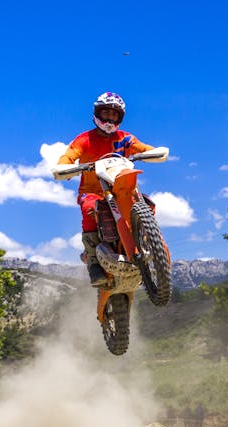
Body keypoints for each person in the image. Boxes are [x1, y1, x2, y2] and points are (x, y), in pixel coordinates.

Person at [57, 91, 155, 286]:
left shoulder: (125, 138)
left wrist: (156, 153)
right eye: (106, 114)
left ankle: (150, 247)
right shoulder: (84, 139)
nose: (110, 119)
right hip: (92, 190)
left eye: (114, 115)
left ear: (120, 118)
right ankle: (93, 262)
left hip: (122, 187)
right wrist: (64, 167)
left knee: (148, 204)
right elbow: (69, 155)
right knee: (89, 209)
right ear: (97, 114)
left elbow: (144, 148)